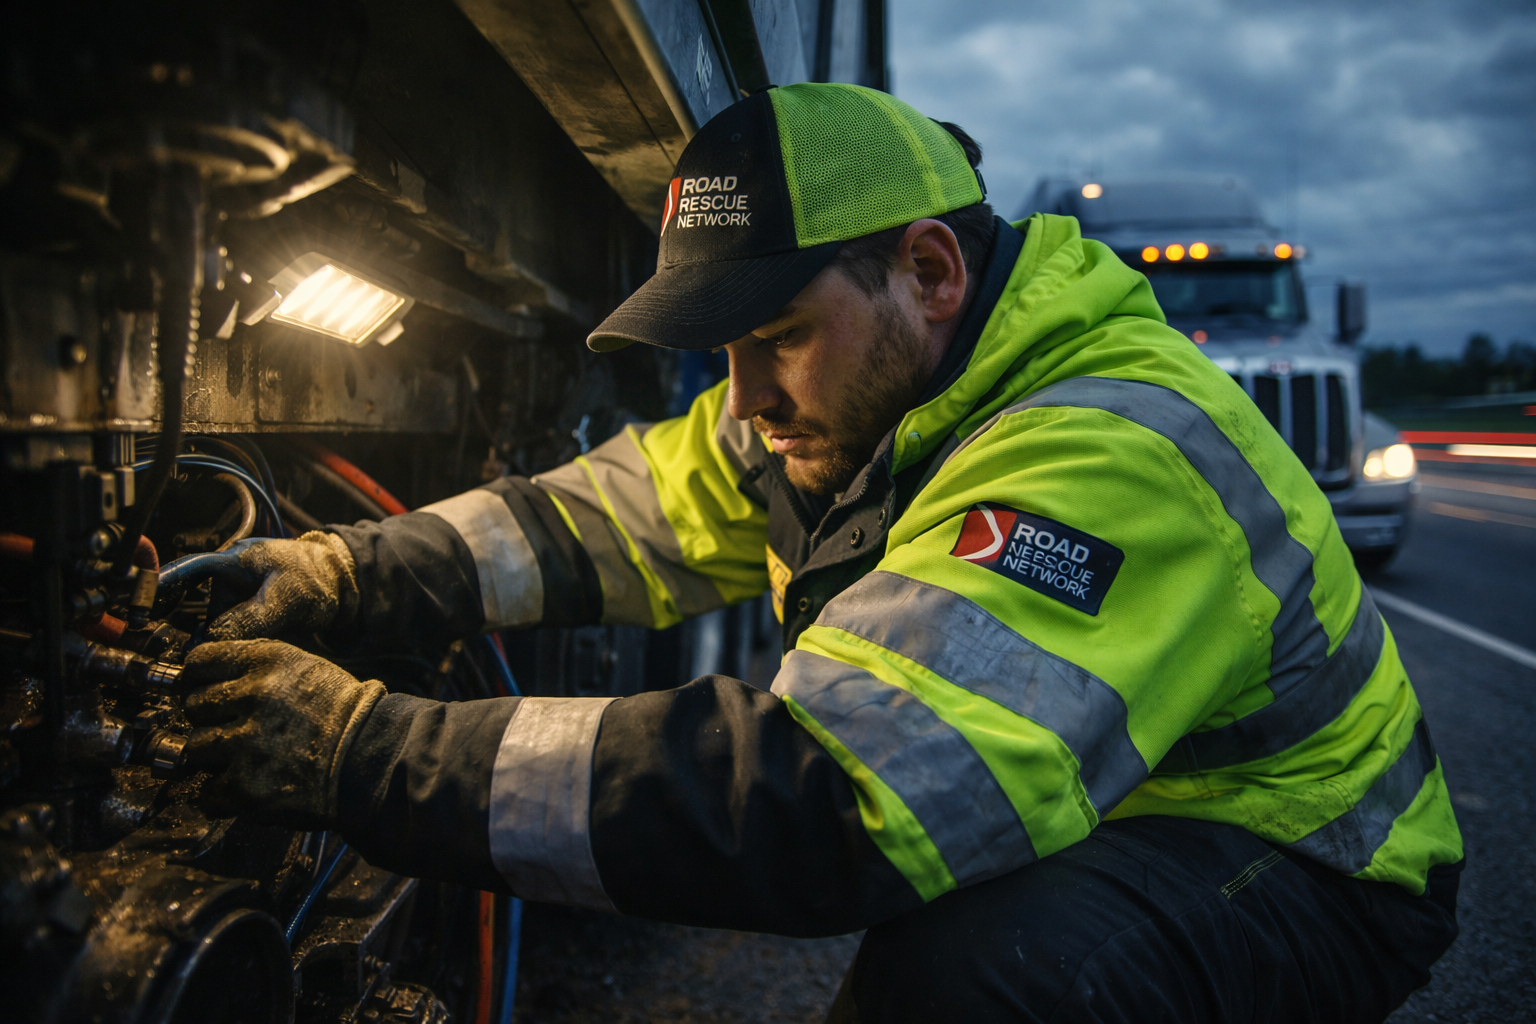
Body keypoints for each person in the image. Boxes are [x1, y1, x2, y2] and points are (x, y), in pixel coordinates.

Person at [182, 83, 1463, 1022]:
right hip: (1124, 789)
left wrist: (366, 753)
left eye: (776, 335)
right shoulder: (864, 393)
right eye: (725, 349)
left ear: (930, 271)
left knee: (978, 982)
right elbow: (607, 512)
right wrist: (353, 570)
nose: (742, 400)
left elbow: (832, 802)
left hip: (1304, 852)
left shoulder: (1103, 450)